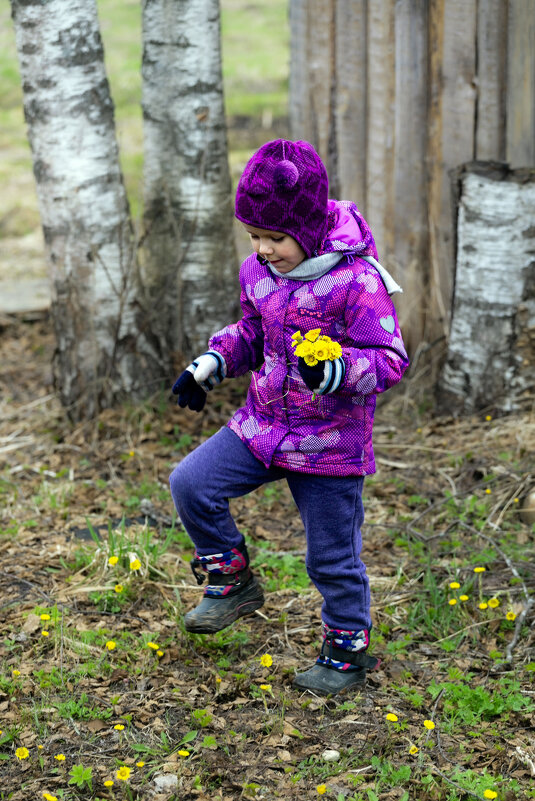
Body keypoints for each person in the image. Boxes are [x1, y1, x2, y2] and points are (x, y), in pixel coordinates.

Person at [169, 139, 409, 696]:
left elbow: (390, 359)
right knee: (191, 483)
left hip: (329, 443)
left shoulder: (356, 282)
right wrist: (213, 361)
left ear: (305, 226)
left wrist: (338, 370)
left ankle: (346, 653)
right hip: (263, 427)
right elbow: (252, 332)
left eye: (274, 237)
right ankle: (231, 579)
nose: (263, 249)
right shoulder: (258, 272)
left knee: (331, 557)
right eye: (253, 235)